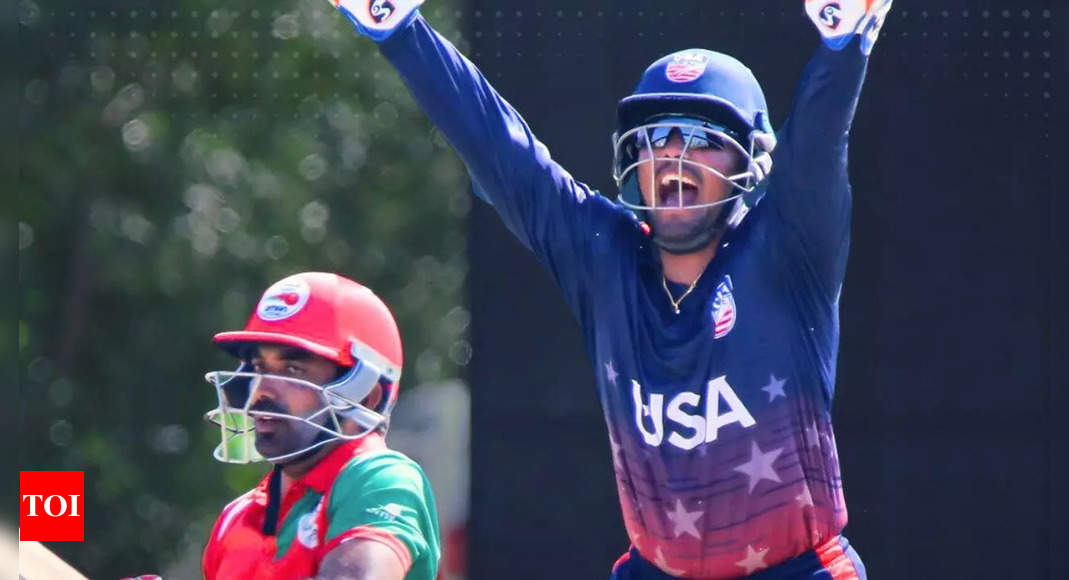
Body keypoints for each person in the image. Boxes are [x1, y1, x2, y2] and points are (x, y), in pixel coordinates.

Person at [328, 0, 892, 577]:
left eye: (700, 136)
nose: (671, 152)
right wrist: (399, 27)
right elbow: (503, 153)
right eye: (655, 136)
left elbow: (819, 147)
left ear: (753, 163)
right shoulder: (605, 260)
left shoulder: (788, 251)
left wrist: (844, 46)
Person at [200, 272, 441, 579]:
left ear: (366, 396)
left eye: (293, 370)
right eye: (260, 368)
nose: (262, 391)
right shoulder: (237, 516)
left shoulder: (382, 479)